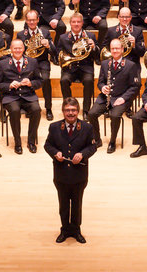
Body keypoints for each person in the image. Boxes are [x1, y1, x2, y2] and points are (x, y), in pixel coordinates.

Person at [45, 98, 97, 244]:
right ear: (63, 111)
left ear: (78, 111)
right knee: (63, 204)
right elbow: (47, 145)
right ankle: (65, 229)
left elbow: (92, 147)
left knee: (76, 204)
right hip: (61, 174)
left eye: (73, 110)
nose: (71, 113)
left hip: (79, 175)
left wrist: (82, 154)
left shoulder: (87, 127)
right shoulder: (54, 127)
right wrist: (55, 153)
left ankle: (76, 230)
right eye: (67, 110)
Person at [86, 38, 140, 154]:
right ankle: (97, 139)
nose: (115, 51)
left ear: (122, 49)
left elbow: (135, 87)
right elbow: (100, 82)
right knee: (91, 114)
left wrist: (123, 98)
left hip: (121, 98)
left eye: (117, 48)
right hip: (105, 97)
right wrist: (102, 88)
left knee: (115, 116)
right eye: (112, 48)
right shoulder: (105, 63)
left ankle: (112, 141)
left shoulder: (130, 65)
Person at [0, 40, 43, 154]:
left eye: (20, 48)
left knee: (36, 110)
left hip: (28, 95)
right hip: (11, 97)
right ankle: (17, 142)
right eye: (15, 48)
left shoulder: (32, 61)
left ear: (24, 49)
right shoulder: (3, 63)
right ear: (11, 49)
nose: (17, 50)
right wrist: (9, 85)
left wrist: (31, 83)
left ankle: (31, 142)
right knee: (14, 111)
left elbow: (40, 81)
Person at [19, 10, 56, 120]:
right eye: (29, 20)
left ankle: (48, 108)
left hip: (42, 62)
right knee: (27, 80)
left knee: (45, 79)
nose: (31, 22)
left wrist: (48, 45)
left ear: (38, 20)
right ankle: (29, 107)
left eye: (33, 20)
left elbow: (55, 52)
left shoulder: (45, 32)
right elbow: (18, 52)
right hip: (28, 63)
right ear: (26, 21)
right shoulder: (21, 34)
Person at [57, 14, 98, 113]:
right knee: (64, 80)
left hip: (86, 67)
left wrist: (94, 48)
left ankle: (86, 110)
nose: (76, 24)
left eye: (78, 22)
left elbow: (97, 56)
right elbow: (58, 55)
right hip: (70, 68)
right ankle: (69, 107)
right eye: (74, 22)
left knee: (89, 81)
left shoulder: (90, 36)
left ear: (82, 23)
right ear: (70, 23)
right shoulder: (63, 37)